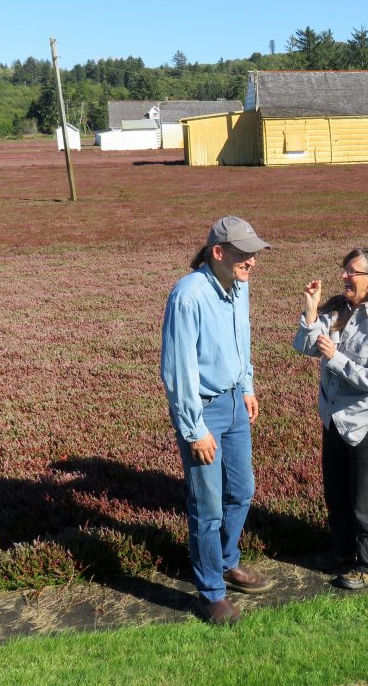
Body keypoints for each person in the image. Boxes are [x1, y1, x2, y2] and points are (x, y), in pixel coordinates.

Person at [160, 215, 276, 624]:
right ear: (218, 252)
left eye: (255, 254)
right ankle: (211, 592)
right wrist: (194, 429)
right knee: (206, 507)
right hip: (204, 410)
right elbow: (178, 369)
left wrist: (246, 385)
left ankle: (227, 561)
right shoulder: (188, 295)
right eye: (245, 254)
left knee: (242, 491)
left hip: (234, 403)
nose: (252, 262)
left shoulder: (238, 287)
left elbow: (241, 339)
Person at [292, 247, 368, 589]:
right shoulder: (339, 310)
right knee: (337, 493)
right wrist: (312, 313)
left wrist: (337, 358)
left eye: (352, 272)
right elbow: (304, 346)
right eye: (344, 270)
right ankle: (342, 553)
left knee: (365, 499)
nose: (344, 276)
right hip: (335, 419)